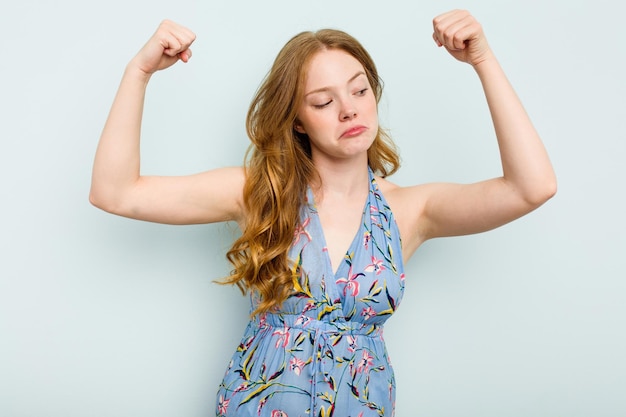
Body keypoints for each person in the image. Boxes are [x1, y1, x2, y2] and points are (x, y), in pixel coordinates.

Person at [90, 9, 556, 417]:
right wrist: (139, 72)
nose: (349, 110)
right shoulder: (261, 191)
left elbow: (531, 187)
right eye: (323, 101)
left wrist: (483, 60)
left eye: (359, 91)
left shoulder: (410, 210)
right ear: (297, 118)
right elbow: (116, 193)